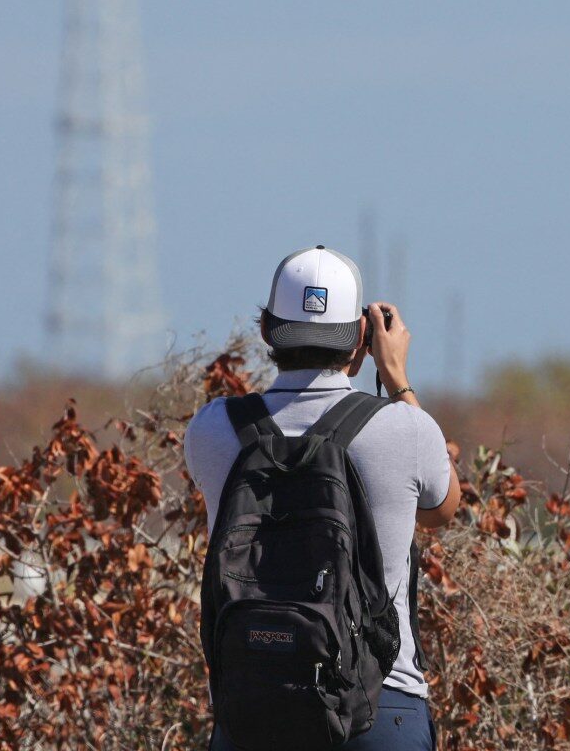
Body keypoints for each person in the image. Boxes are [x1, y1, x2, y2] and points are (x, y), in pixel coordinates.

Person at [185, 245, 461, 750]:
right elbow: (443, 508)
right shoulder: (404, 429)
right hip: (379, 705)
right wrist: (396, 376)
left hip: (253, 704)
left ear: (267, 328)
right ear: (360, 334)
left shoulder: (212, 429)